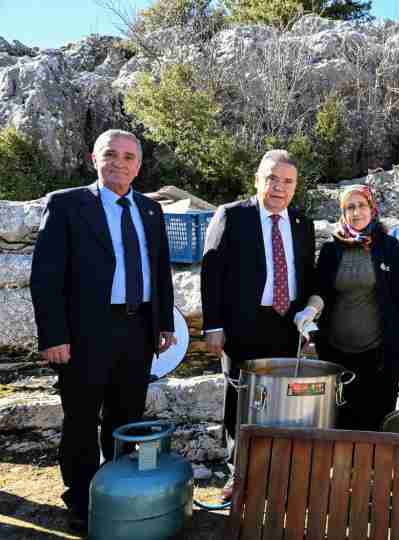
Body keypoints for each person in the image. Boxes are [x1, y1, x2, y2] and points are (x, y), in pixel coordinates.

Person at [30, 129, 176, 532]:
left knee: (126, 416)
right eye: (110, 154)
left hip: (138, 327)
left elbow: (159, 268)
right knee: (80, 417)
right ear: (94, 158)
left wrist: (164, 322)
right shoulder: (66, 205)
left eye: (129, 157)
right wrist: (53, 336)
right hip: (84, 332)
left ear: (139, 166)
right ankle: (80, 499)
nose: (119, 162)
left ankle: (119, 492)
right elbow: (45, 276)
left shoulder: (150, 209)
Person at [201, 149, 322, 499]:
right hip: (242, 325)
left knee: (281, 401)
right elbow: (211, 273)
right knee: (240, 399)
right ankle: (237, 474)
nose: (279, 187)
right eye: (272, 178)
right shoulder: (232, 216)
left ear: (296, 186)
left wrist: (309, 323)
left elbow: (306, 275)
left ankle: (275, 473)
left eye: (287, 181)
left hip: (286, 325)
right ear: (257, 179)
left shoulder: (302, 223)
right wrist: (213, 325)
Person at [314, 185, 399, 431]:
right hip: (336, 354)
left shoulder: (389, 247)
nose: (356, 212)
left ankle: (375, 470)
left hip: (379, 354)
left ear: (372, 209)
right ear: (343, 213)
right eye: (350, 207)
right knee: (341, 420)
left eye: (361, 206)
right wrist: (309, 313)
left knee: (377, 421)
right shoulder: (331, 249)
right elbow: (320, 291)